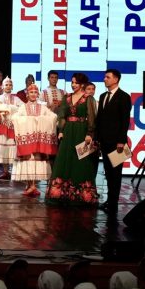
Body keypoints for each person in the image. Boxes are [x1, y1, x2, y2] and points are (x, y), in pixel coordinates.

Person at [46, 72, 99, 207]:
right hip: (68, 131)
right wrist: (61, 131)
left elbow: (91, 117)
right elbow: (62, 115)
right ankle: (61, 194)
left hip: (81, 131)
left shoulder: (88, 98)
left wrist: (90, 133)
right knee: (64, 159)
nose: (73, 85)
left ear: (82, 84)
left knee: (81, 160)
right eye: (72, 82)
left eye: (76, 82)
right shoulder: (67, 97)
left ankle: (82, 195)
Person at [95, 69, 132, 215]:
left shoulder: (124, 97)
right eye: (105, 77)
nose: (105, 79)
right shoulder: (103, 96)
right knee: (108, 173)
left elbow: (125, 121)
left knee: (116, 174)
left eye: (107, 77)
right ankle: (109, 200)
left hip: (117, 143)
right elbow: (100, 119)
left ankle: (113, 203)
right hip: (104, 141)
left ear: (116, 79)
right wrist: (97, 138)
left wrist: (121, 141)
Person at [12, 83, 58, 197]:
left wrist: (41, 119)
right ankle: (30, 185)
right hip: (28, 140)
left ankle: (33, 186)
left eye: (35, 92)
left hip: (38, 141)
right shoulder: (23, 107)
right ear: (27, 94)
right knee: (28, 160)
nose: (33, 94)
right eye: (31, 92)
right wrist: (28, 120)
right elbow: (15, 118)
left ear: (38, 94)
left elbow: (53, 117)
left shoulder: (42, 107)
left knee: (36, 161)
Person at [0, 77, 23, 180]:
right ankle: (5, 171)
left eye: (10, 85)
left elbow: (22, 109)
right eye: (6, 84)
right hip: (2, 125)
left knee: (13, 148)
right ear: (2, 86)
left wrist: (10, 108)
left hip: (12, 126)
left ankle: (14, 171)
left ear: (12, 87)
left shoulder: (16, 99)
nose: (8, 86)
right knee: (4, 148)